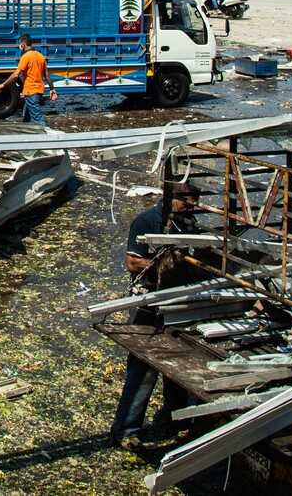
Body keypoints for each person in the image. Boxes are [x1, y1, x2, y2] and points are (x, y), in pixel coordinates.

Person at [109, 182, 205, 449]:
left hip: (178, 301)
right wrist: (165, 265)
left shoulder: (187, 221)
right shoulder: (146, 221)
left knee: (179, 362)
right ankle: (126, 430)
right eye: (185, 200)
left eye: (193, 200)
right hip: (149, 302)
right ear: (170, 198)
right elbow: (132, 262)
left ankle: (175, 415)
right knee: (144, 367)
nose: (191, 205)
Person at [0, 32, 53, 126]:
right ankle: (24, 130)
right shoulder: (41, 56)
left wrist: (4, 84)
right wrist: (52, 88)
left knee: (38, 120)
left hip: (30, 91)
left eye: (20, 44)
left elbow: (16, 75)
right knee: (26, 116)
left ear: (23, 44)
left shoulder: (25, 57)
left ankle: (46, 137)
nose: (20, 47)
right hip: (38, 91)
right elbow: (47, 75)